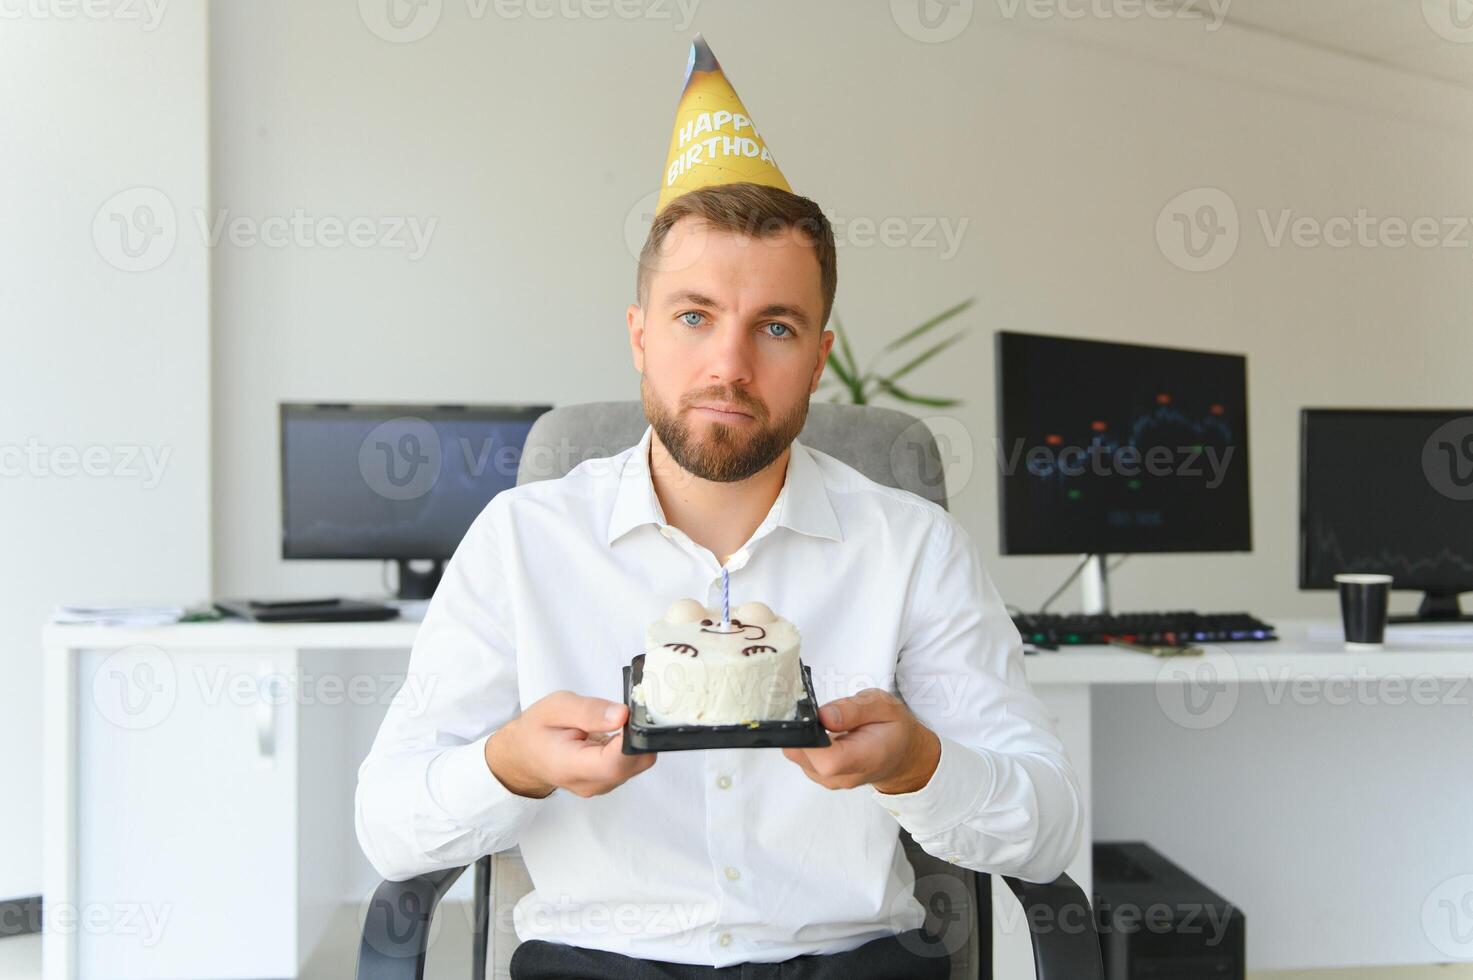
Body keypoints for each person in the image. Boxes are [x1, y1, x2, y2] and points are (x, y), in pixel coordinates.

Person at [355, 34, 1082, 980]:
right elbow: (388, 828)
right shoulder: (522, 542)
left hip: (852, 961)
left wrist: (918, 765)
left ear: (819, 357)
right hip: (597, 959)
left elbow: (1049, 826)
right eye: (693, 316)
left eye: (773, 328)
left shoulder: (909, 548)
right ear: (640, 336)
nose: (729, 367)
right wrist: (510, 763)